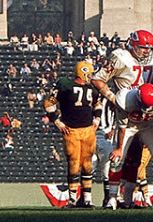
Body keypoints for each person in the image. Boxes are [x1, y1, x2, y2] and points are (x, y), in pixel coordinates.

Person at [45, 60, 102, 208]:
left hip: (88, 129)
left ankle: (87, 199)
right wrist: (57, 122)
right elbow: (48, 103)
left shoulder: (92, 88)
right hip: (71, 130)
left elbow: (97, 104)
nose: (91, 76)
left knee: (87, 164)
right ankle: (72, 200)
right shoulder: (65, 85)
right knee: (74, 164)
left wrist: (97, 118)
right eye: (89, 73)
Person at [107, 82, 153, 209]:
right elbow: (122, 127)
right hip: (129, 127)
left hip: (148, 126)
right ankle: (112, 199)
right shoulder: (124, 99)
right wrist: (119, 149)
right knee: (116, 159)